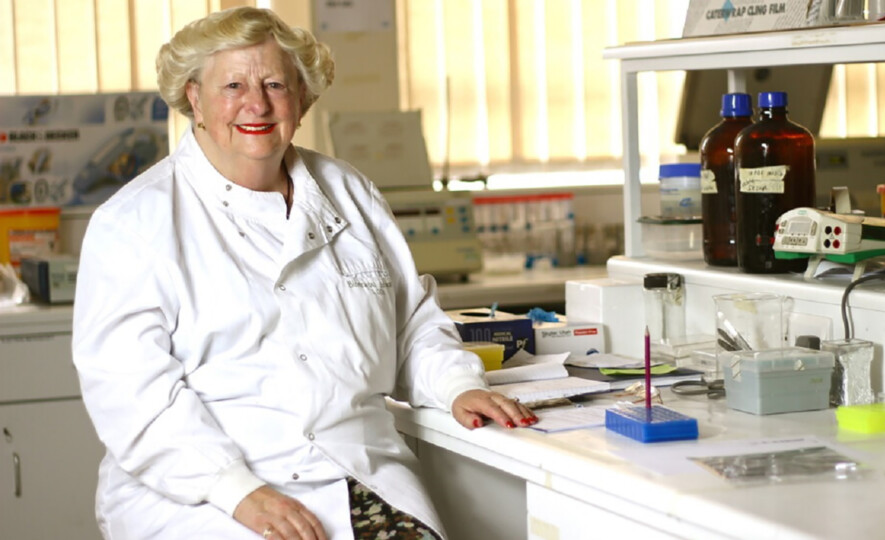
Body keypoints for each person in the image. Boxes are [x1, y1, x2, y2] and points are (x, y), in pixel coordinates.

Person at [72, 7, 538, 540]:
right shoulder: (134, 222)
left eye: (275, 83)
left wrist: (455, 383)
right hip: (204, 496)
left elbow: (409, 323)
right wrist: (234, 489)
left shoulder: (350, 191)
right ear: (194, 98)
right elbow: (131, 394)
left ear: (302, 96)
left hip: (356, 474)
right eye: (233, 85)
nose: (257, 103)